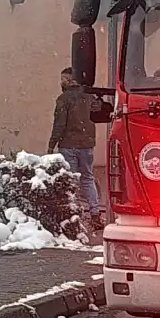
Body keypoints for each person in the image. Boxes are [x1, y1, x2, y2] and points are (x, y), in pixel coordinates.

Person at [49, 67, 103, 227]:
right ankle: (95, 213)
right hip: (87, 144)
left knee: (70, 180)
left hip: (68, 144)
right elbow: (98, 112)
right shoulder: (89, 96)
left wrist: (52, 144)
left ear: (70, 80)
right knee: (87, 178)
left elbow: (59, 124)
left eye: (64, 79)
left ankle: (73, 216)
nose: (61, 82)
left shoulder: (64, 99)